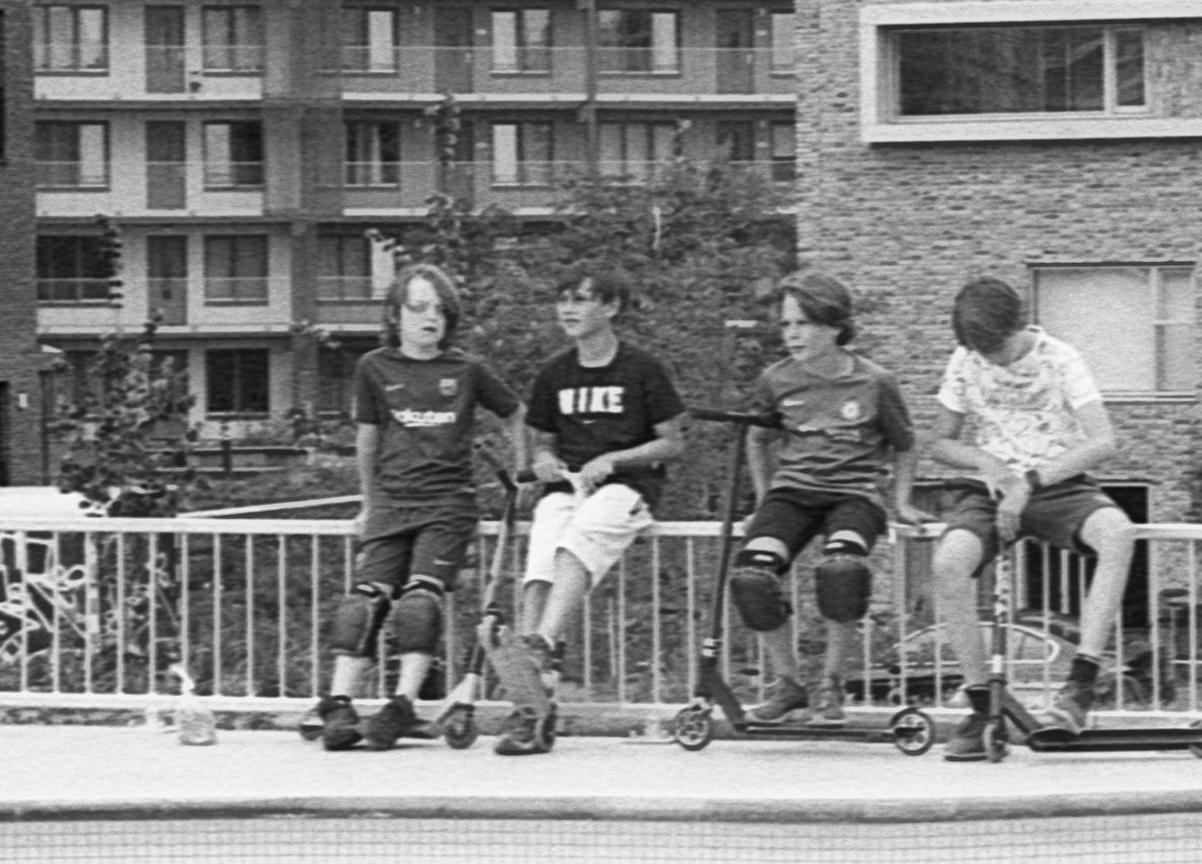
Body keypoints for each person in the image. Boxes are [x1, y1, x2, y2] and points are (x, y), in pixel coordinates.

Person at [916, 274, 1137, 755]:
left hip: (1055, 481)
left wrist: (1030, 482)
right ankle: (980, 706)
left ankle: (1080, 685)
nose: (989, 358)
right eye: (979, 350)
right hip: (989, 485)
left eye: (995, 346)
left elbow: (1103, 441)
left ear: (1015, 324)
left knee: (1118, 534)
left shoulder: (1061, 358)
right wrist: (986, 462)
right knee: (948, 564)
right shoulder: (965, 360)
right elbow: (938, 441)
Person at [316, 262, 519, 750]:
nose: (431, 318)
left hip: (447, 503)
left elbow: (516, 413)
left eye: (440, 310)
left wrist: (524, 474)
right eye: (419, 308)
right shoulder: (374, 368)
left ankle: (402, 705)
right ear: (395, 314)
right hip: (390, 502)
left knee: (419, 601)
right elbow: (366, 441)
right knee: (362, 602)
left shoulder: (466, 370)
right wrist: (368, 503)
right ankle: (338, 704)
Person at [497, 264, 687, 756]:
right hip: (569, 486)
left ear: (610, 307)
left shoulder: (642, 368)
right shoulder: (555, 373)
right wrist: (542, 464)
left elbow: (672, 442)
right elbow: (543, 445)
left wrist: (615, 458)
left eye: (581, 299)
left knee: (588, 525)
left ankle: (539, 643)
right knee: (545, 538)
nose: (569, 309)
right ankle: (532, 699)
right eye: (563, 299)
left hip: (628, 489)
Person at [728, 271, 914, 722]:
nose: (792, 334)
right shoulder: (776, 380)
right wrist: (764, 497)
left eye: (804, 324)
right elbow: (758, 439)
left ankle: (832, 683)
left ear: (834, 326)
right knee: (751, 578)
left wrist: (901, 501)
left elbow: (905, 444)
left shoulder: (875, 382)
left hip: (854, 493)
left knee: (841, 570)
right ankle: (789, 684)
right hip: (793, 493)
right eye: (787, 324)